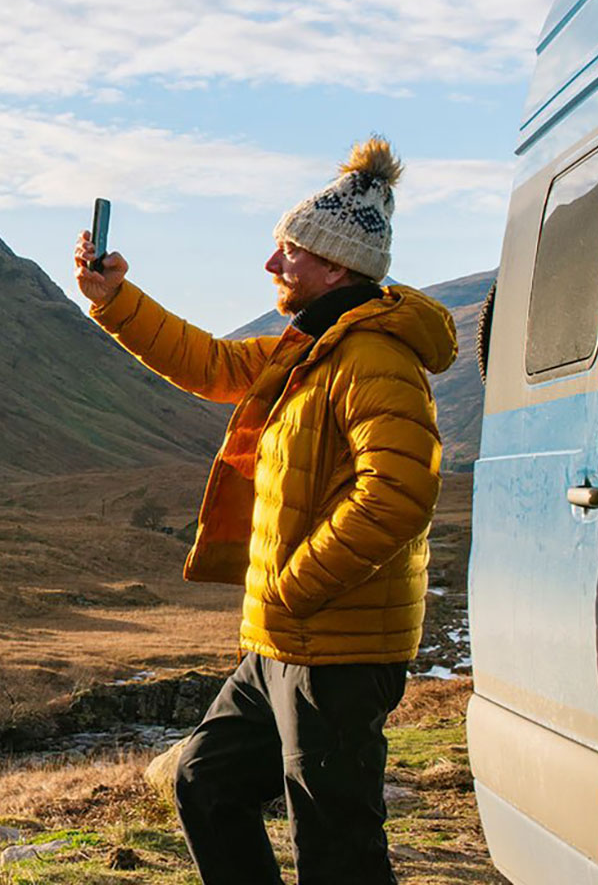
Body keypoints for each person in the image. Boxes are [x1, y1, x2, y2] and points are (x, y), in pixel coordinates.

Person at [72, 136, 457, 885]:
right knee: (207, 782)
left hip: (337, 647)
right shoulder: (310, 343)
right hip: (286, 640)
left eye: (288, 251)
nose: (273, 265)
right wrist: (115, 299)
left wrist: (296, 584)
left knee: (337, 843)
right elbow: (212, 365)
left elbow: (400, 490)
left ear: (336, 265)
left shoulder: (373, 358)